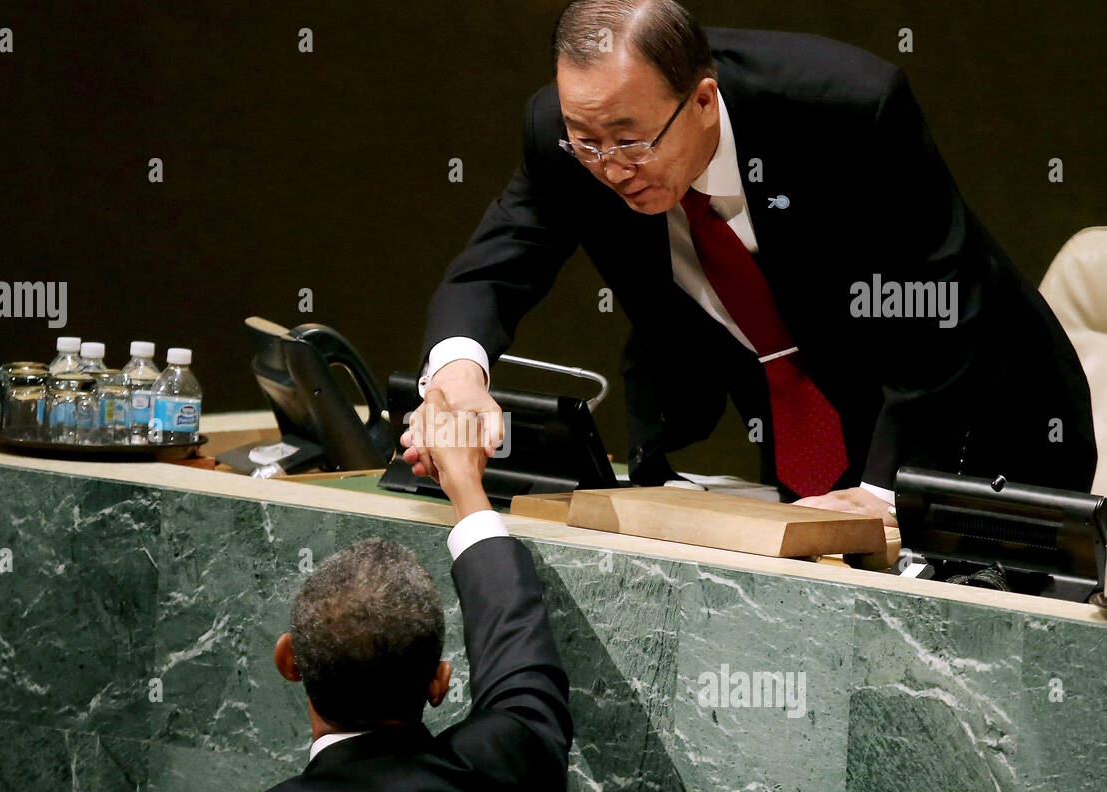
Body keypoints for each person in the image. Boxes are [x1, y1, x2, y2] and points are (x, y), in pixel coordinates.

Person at [403, 0, 1097, 524]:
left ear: (703, 100)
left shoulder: (848, 108)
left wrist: (887, 491)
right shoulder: (567, 139)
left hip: (986, 420)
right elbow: (492, 269)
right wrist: (460, 378)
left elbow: (937, 305)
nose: (609, 169)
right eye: (587, 143)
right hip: (815, 427)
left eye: (629, 141)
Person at [177, 390, 572, 792]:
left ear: (289, 660)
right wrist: (466, 484)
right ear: (439, 682)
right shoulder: (510, 763)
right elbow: (522, 669)